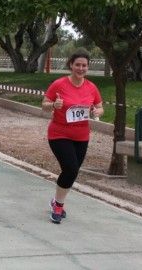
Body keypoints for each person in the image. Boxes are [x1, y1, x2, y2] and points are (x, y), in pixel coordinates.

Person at [41, 51, 103, 224]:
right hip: (59, 133)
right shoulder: (59, 84)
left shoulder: (91, 87)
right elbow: (44, 105)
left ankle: (56, 201)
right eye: (78, 65)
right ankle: (58, 206)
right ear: (71, 65)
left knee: (71, 171)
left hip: (82, 136)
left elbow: (99, 106)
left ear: (88, 67)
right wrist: (54, 104)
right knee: (71, 169)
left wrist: (97, 111)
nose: (81, 68)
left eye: (84, 65)